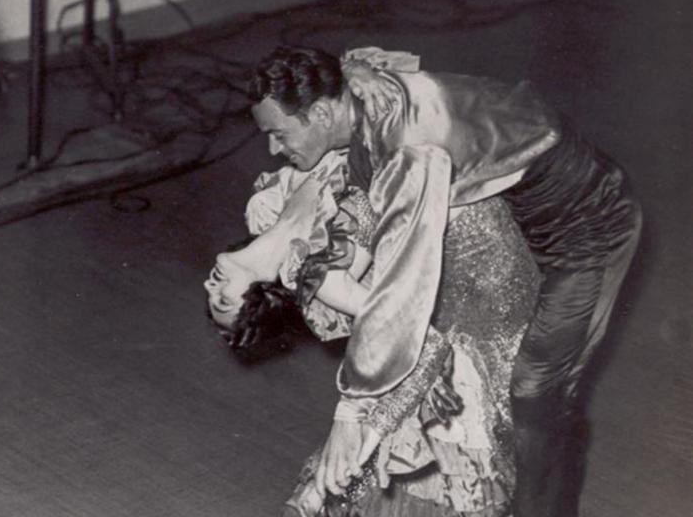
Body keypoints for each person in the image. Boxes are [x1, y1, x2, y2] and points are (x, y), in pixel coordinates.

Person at [242, 45, 641, 517]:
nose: (272, 148)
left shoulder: (407, 150)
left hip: (589, 230)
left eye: (277, 133)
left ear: (324, 111)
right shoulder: (363, 106)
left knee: (535, 392)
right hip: (528, 223)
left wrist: (353, 411)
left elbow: (402, 288)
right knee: (522, 395)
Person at [206, 150, 540, 516]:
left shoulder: (268, 211)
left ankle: (325, 486)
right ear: (263, 299)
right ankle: (323, 490)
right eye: (223, 302)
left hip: (455, 222)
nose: (211, 285)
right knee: (424, 432)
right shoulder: (319, 277)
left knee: (404, 423)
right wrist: (360, 429)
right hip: (476, 276)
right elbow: (420, 335)